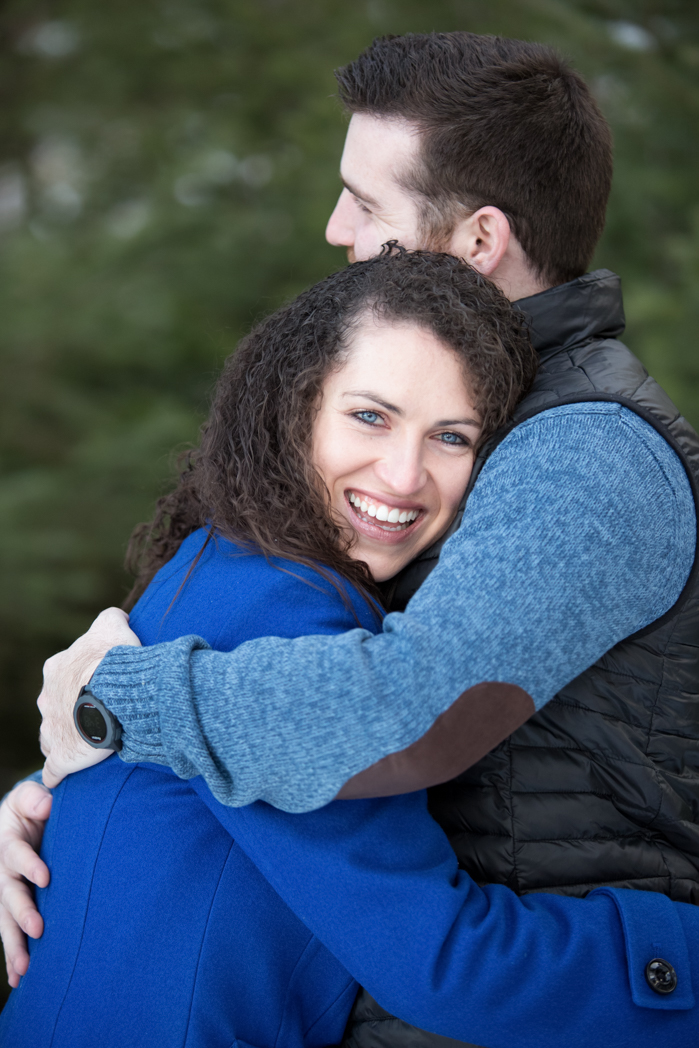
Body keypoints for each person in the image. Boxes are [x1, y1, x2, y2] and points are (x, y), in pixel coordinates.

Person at [2, 30, 698, 1046]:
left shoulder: (582, 452)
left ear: (477, 240)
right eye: (370, 417)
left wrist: (122, 701)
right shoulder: (431, 461)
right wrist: (53, 796)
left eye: (369, 203)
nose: (338, 228)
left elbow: (400, 709)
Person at [1, 249, 553, 1048]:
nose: (403, 475)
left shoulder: (214, 560)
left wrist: (35, 794)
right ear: (293, 410)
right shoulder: (290, 621)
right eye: (370, 416)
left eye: (451, 437)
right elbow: (446, 965)